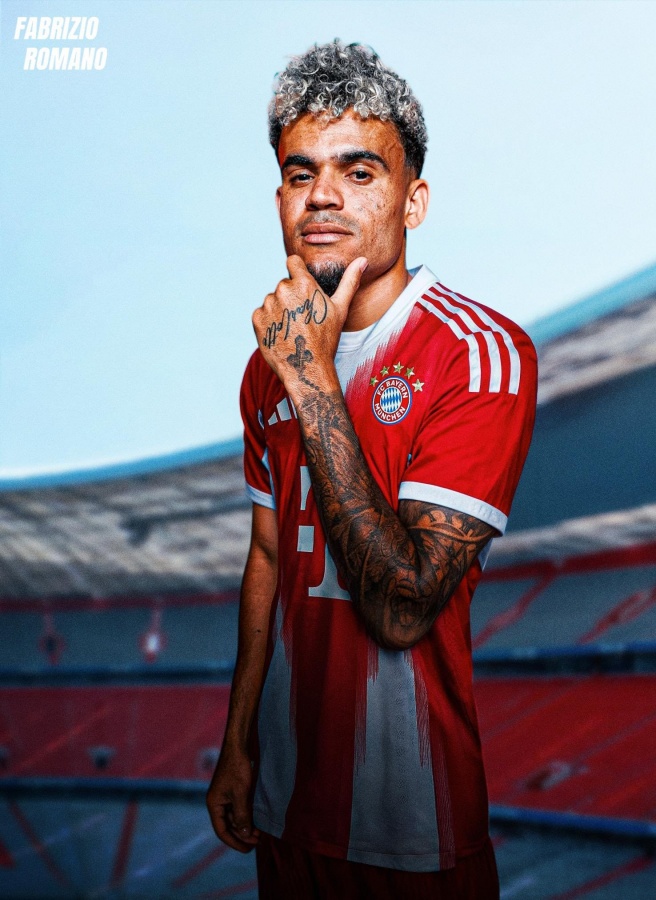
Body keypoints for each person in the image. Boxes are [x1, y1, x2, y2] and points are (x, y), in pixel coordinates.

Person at [207, 39, 537, 899]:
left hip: (410, 833)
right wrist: (237, 741)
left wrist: (312, 377)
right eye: (300, 173)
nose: (323, 195)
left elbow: (402, 608)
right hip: (285, 809)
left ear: (413, 200)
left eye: (359, 171)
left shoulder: (478, 353)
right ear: (280, 198)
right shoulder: (265, 369)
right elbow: (268, 558)